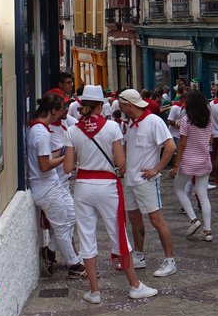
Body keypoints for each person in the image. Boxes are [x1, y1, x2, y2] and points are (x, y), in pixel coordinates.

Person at [64, 85, 158, 303]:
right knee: (118, 235)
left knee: (86, 236)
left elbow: (68, 168)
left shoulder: (72, 131)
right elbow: (121, 163)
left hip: (83, 186)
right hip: (107, 186)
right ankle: (134, 285)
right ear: (100, 106)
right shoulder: (112, 128)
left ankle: (94, 291)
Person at [118, 88, 178, 276]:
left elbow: (170, 146)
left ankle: (170, 260)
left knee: (156, 220)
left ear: (129, 105)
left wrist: (157, 169)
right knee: (135, 219)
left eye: (121, 106)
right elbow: (128, 148)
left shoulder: (153, 121)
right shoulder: (131, 124)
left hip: (146, 180)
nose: (120, 109)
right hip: (130, 180)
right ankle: (139, 255)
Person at [27, 94, 85, 279]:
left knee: (71, 218)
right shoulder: (42, 133)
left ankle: (50, 251)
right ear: (53, 111)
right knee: (61, 226)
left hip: (52, 184)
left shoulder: (38, 130)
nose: (65, 111)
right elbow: (44, 166)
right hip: (46, 186)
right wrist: (66, 157)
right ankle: (74, 265)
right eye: (61, 108)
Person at [169, 89, 214, 241]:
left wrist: (176, 165)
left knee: (179, 189)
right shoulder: (208, 120)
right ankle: (208, 231)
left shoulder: (185, 120)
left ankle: (194, 219)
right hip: (204, 160)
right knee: (203, 194)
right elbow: (210, 140)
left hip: (188, 160)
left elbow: (182, 144)